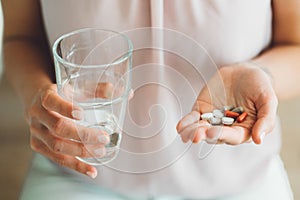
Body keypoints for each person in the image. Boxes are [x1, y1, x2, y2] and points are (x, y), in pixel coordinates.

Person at [2, 0, 298, 199]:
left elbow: (295, 45)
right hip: (77, 176)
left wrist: (263, 75)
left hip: (238, 181)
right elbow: (20, 37)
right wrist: (36, 97)